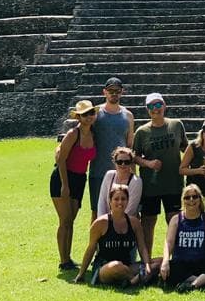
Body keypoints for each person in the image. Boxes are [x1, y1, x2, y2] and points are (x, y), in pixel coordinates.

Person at [132, 92, 186, 271]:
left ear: (164, 106)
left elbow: (186, 149)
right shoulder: (142, 132)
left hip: (173, 183)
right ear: (147, 110)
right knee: (148, 222)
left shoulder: (176, 125)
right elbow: (134, 156)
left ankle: (175, 260)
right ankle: (146, 262)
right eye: (151, 106)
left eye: (158, 105)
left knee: (174, 221)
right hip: (151, 185)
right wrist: (148, 163)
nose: (155, 109)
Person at [50, 99, 97, 270]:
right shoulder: (73, 134)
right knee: (65, 220)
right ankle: (63, 261)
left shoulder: (94, 134)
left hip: (79, 179)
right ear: (78, 117)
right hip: (64, 177)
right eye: (85, 114)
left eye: (91, 113)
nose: (89, 117)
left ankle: (67, 258)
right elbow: (61, 160)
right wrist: (65, 185)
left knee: (71, 220)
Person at [74, 183, 152, 287]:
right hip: (105, 267)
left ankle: (133, 278)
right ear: (110, 201)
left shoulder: (134, 222)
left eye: (123, 199)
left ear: (128, 201)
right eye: (116, 199)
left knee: (158, 262)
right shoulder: (100, 223)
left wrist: (147, 265)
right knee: (116, 266)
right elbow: (91, 249)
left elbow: (142, 247)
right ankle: (135, 279)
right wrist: (81, 274)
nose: (120, 202)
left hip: (127, 265)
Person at [160, 186, 205, 292]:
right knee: (169, 268)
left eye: (195, 196)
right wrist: (165, 261)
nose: (191, 200)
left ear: (200, 199)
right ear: (183, 200)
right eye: (187, 197)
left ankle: (192, 285)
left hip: (203, 262)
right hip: (182, 263)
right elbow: (169, 242)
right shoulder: (176, 219)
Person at [87, 77, 134, 221]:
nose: (114, 94)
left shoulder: (128, 116)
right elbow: (82, 132)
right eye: (111, 91)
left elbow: (129, 146)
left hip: (122, 172)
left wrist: (132, 174)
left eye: (117, 91)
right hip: (98, 171)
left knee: (123, 212)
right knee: (97, 212)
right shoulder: (95, 113)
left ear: (122, 92)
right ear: (104, 92)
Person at [95, 145, 142, 219]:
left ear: (131, 163)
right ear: (114, 162)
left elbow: (131, 209)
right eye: (119, 162)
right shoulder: (109, 175)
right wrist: (102, 220)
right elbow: (102, 202)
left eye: (127, 162)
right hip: (107, 220)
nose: (123, 164)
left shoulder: (136, 181)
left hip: (127, 221)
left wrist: (116, 222)